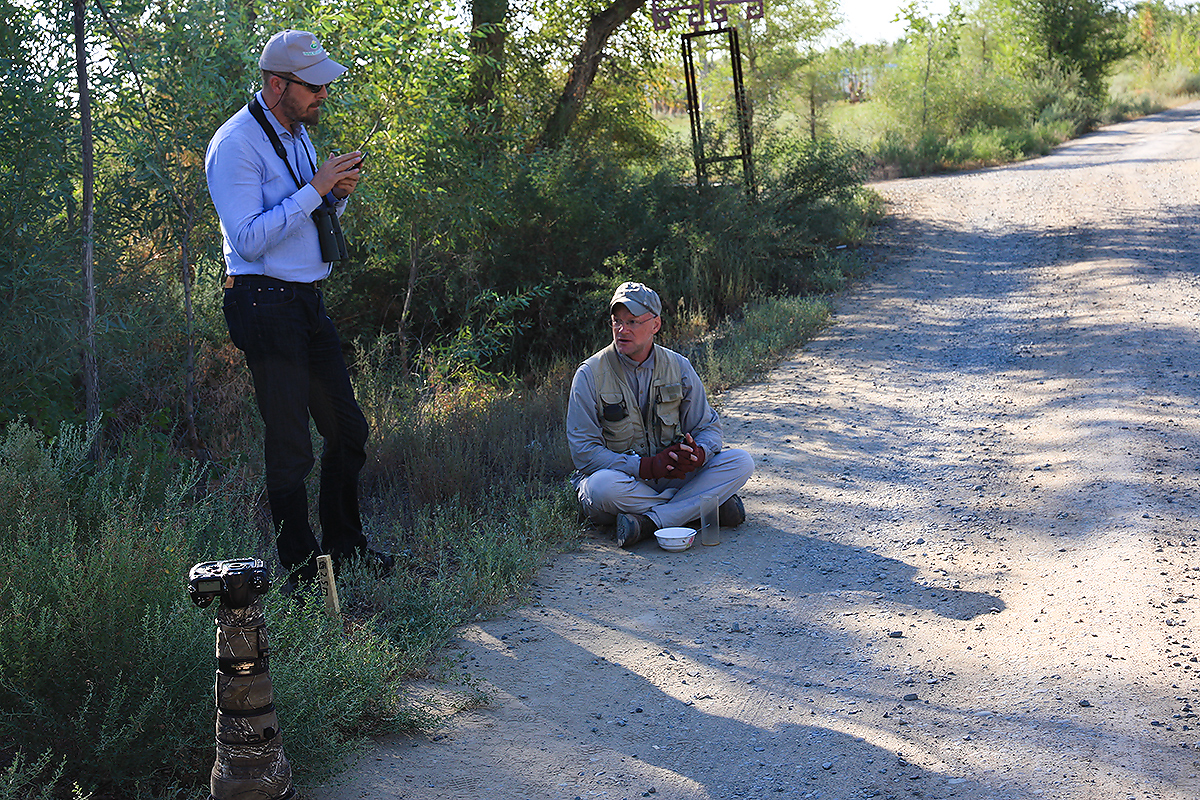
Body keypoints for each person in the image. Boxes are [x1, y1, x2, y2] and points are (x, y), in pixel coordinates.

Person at [205, 29, 390, 587]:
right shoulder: (236, 144)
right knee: (290, 443)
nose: (323, 96)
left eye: (324, 85)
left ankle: (345, 548)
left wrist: (334, 196)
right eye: (312, 87)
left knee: (347, 429)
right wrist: (314, 190)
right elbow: (249, 237)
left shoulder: (299, 135)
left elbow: (301, 215)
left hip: (306, 301)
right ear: (276, 83)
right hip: (262, 302)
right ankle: (303, 570)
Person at [567, 282, 755, 547]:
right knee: (599, 488)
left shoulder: (679, 366)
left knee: (741, 461)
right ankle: (701, 507)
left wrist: (698, 453)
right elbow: (584, 452)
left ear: (655, 325)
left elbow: (708, 428)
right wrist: (644, 466)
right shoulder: (589, 374)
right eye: (616, 321)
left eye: (632, 321)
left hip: (670, 476)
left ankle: (648, 523)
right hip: (624, 482)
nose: (622, 330)